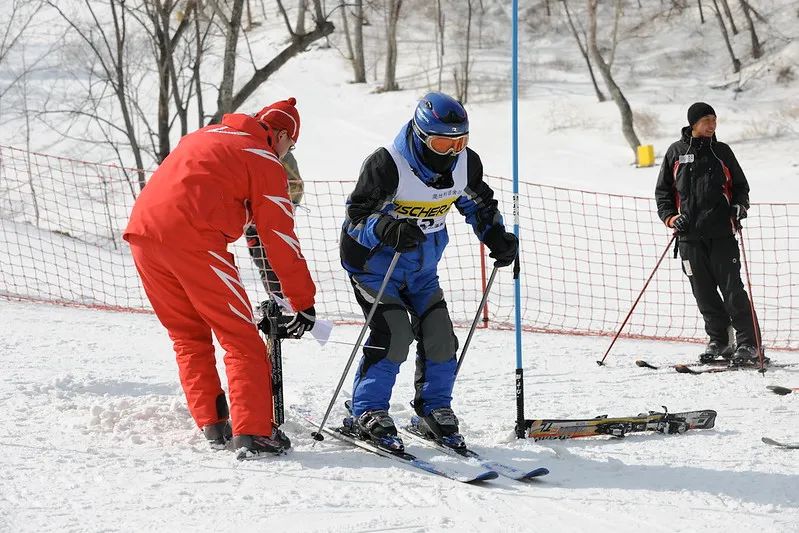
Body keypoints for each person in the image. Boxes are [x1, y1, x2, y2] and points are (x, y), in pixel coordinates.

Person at [123, 97, 317, 458]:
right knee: (240, 339)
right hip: (194, 241)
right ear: (279, 134)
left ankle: (212, 423)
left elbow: (248, 227)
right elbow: (281, 238)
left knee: (188, 334)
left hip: (142, 236)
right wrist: (303, 302)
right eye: (291, 144)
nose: (288, 153)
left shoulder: (205, 135)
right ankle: (254, 432)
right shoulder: (262, 158)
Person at [339, 92, 518, 449]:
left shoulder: (465, 164)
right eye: (441, 142)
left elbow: (478, 204)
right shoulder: (388, 164)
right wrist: (387, 228)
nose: (451, 151)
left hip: (422, 268)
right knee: (394, 334)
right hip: (374, 266)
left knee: (440, 337)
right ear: (422, 136)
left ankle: (434, 408)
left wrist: (495, 235)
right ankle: (368, 409)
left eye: (460, 141)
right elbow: (357, 216)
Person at [655, 102, 762, 365]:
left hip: (721, 234)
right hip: (689, 237)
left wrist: (739, 206)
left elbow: (740, 187)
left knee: (733, 291)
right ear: (693, 123)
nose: (712, 125)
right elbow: (663, 193)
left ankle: (749, 344)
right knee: (703, 292)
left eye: (714, 120)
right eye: (706, 120)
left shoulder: (722, 151)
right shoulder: (676, 153)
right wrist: (671, 217)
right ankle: (720, 341)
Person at [244, 151, 304, 298]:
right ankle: (276, 299)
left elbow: (295, 184)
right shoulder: (244, 149)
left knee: (280, 260)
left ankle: (290, 300)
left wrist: (283, 209)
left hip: (274, 219)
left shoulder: (282, 153)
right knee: (261, 260)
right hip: (250, 221)